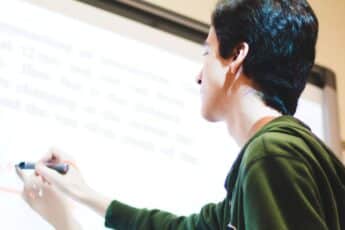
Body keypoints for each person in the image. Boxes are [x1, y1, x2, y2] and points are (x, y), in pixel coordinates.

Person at [15, 0, 345, 229]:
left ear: (236, 57)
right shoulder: (284, 155)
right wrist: (83, 193)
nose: (199, 76)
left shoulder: (270, 155)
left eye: (207, 52)